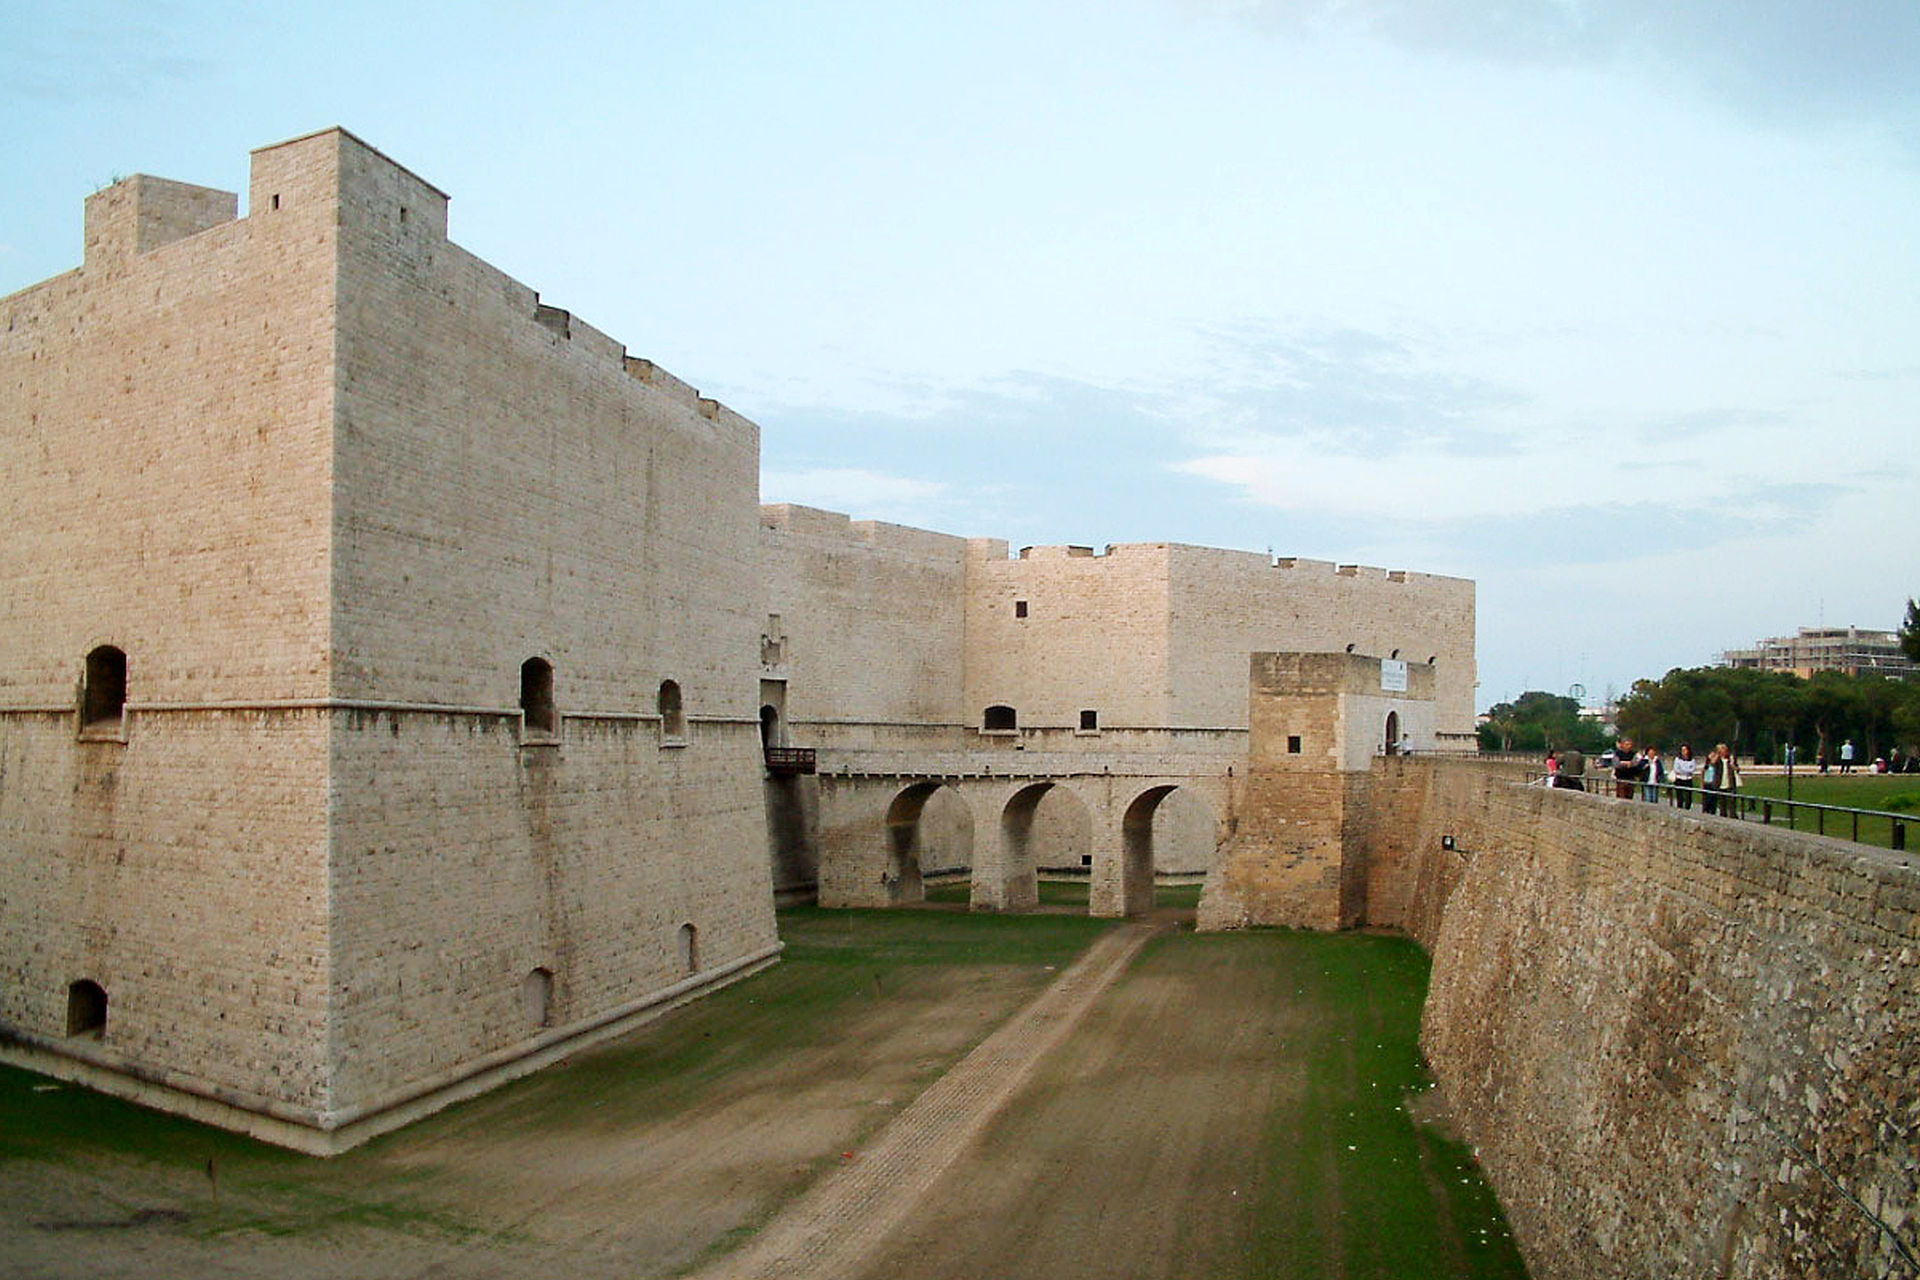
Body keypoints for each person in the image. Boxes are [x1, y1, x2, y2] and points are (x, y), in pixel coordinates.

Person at [1669, 743, 1698, 810]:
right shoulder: (1677, 759)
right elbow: (1677, 769)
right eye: (1682, 750)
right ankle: (1680, 809)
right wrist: (1685, 770)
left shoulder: (1692, 760)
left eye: (1685, 750)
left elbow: (1692, 769)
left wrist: (1684, 770)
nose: (1684, 752)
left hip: (1688, 780)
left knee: (1688, 797)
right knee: (1680, 797)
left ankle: (1687, 809)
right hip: (1679, 779)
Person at [1701, 746, 1724, 816]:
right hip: (1706, 784)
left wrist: (1716, 757)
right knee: (1706, 802)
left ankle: (1711, 813)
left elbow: (1715, 763)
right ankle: (1705, 812)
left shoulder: (1718, 764)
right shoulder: (1707, 764)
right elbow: (1703, 772)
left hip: (1713, 784)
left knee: (1712, 802)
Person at [1717, 742, 1739, 815]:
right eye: (1721, 750)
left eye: (1724, 749)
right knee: (1722, 804)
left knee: (1732, 802)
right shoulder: (1718, 760)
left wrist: (1732, 765)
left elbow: (1737, 769)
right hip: (1720, 784)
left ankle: (1733, 815)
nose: (1723, 751)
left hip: (1730, 784)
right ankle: (1723, 816)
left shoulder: (1730, 760)